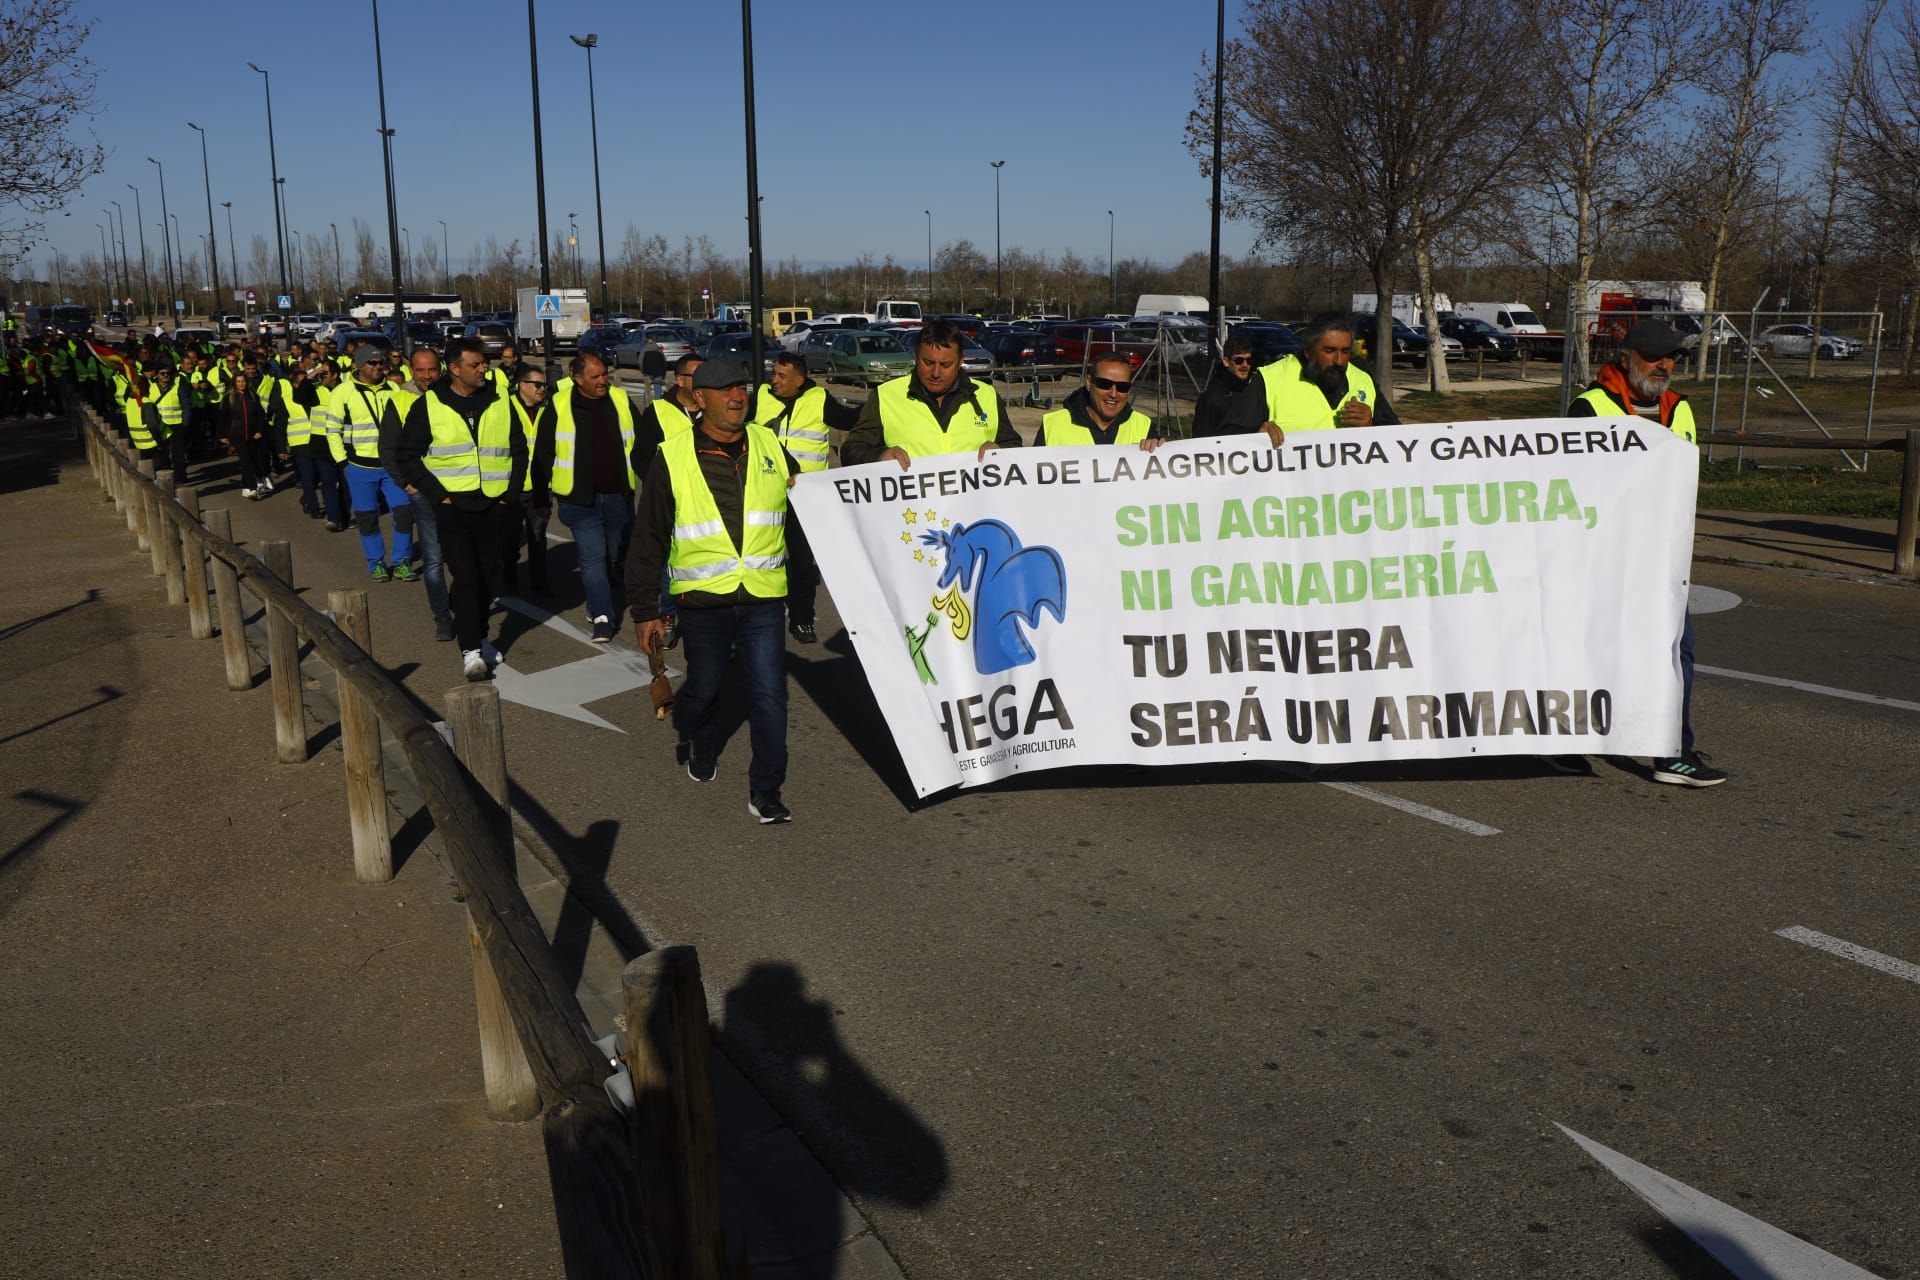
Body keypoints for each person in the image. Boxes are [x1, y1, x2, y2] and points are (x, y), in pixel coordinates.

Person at [626, 358, 805, 824]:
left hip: (764, 599)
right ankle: (701, 741)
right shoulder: (674, 455)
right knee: (703, 690)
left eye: (741, 387)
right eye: (724, 390)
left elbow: (810, 498)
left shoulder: (769, 444)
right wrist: (645, 610)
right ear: (699, 399)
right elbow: (649, 537)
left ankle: (765, 790)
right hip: (703, 603)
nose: (737, 396)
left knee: (770, 696)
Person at [1568, 317, 1724, 788]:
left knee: (1678, 651)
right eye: (1654, 355)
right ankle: (1568, 741)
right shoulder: (1589, 408)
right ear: (1626, 357)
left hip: (1663, 561)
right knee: (1592, 652)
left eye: (1671, 357)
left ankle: (1672, 751)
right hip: (1603, 561)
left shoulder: (1680, 410)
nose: (1664, 365)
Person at [390, 338, 527, 681]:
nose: (484, 369)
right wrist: (439, 495)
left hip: (493, 504)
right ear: (455, 369)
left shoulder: (499, 400)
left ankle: (479, 635)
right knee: (464, 577)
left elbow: (518, 448)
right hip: (452, 507)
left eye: (485, 363)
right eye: (476, 364)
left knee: (487, 576)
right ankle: (470, 651)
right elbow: (407, 455)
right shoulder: (430, 404)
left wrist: (509, 494)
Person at [530, 350, 644, 642]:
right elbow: (542, 455)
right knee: (593, 557)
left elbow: (640, 443)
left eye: (605, 374)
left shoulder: (620, 399)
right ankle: (603, 616)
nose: (603, 381)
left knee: (614, 552)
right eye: (595, 377)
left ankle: (600, 598)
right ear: (577, 378)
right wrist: (541, 499)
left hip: (618, 495)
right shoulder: (558, 405)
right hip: (579, 500)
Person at [749, 351, 858, 643]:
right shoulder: (761, 396)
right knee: (757, 556)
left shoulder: (819, 399)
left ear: (800, 379)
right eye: (773, 374)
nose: (775, 381)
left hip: (803, 496)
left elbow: (850, 420)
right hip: (763, 491)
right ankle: (756, 617)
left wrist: (885, 407)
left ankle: (802, 619)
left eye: (782, 376)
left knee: (801, 562)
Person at [840, 317, 1022, 468]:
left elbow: (1014, 446)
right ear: (915, 357)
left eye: (945, 365)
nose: (935, 373)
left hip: (970, 510)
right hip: (914, 510)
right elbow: (851, 451)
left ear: (960, 362)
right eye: (928, 363)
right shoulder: (886, 396)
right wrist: (880, 455)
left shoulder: (986, 395)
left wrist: (1000, 451)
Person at [328, 344, 417, 582]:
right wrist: (342, 463)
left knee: (404, 513)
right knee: (367, 518)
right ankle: (376, 562)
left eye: (381, 363)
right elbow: (332, 430)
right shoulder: (343, 392)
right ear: (359, 365)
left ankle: (402, 561)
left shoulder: (394, 390)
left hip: (392, 467)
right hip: (359, 467)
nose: (379, 367)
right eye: (373, 363)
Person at [383, 347, 454, 640]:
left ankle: (468, 607)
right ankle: (442, 616)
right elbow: (388, 449)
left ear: (442, 369)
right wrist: (408, 484)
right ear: (412, 371)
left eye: (432, 369)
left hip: (456, 488)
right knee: (434, 558)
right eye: (420, 370)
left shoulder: (454, 396)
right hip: (422, 491)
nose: (427, 376)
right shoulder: (399, 400)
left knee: (464, 556)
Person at [1254, 312, 1400, 443]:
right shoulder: (1270, 379)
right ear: (1308, 352)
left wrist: (1371, 425)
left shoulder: (1363, 380)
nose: (1339, 360)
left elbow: (1400, 439)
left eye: (1345, 351)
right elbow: (1233, 436)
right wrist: (1257, 433)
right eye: (1329, 351)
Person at [502, 364, 553, 597]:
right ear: (522, 385)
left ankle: (540, 585)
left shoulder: (549, 408)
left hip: (541, 485)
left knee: (538, 537)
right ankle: (509, 579)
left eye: (544, 385)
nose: (542, 389)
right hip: (512, 485)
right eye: (538, 385)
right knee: (510, 539)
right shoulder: (505, 407)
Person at [1038, 355, 1162, 449]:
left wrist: (1159, 449)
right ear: (1089, 383)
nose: (1113, 394)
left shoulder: (1144, 427)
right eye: (1105, 384)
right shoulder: (1052, 425)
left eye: (1122, 386)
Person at [1192, 333, 1266, 437]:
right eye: (1239, 360)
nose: (1245, 365)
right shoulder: (1211, 398)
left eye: (1248, 360)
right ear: (1226, 362)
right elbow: (1202, 438)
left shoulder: (1254, 388)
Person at [307, 359, 351, 531]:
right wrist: (314, 373)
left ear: (335, 375)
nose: (322, 376)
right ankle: (333, 518)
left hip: (343, 442)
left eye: (325, 373)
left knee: (346, 483)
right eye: (321, 373)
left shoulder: (346, 390)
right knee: (328, 482)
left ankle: (346, 516)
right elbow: (299, 394)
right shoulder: (315, 390)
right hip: (321, 443)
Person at [226, 368, 274, 499]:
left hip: (252, 434)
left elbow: (260, 415)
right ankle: (252, 488)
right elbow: (224, 418)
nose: (241, 384)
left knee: (253, 459)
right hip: (237, 435)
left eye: (243, 381)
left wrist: (259, 431)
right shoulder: (229, 398)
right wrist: (223, 436)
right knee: (245, 461)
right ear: (234, 383)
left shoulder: (252, 396)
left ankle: (250, 484)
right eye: (238, 381)